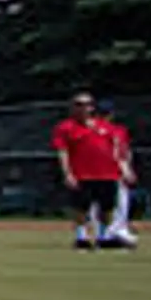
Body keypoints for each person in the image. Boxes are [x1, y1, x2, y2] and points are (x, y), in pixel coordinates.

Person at [53, 91, 123, 251]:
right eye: (79, 104)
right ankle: (81, 237)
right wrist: (67, 173)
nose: (83, 108)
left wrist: (122, 169)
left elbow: (116, 149)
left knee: (107, 208)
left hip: (107, 173)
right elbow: (62, 151)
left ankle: (104, 237)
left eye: (87, 104)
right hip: (82, 174)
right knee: (80, 208)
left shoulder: (106, 127)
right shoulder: (65, 128)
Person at [96, 100, 139, 249]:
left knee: (101, 204)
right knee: (120, 202)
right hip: (113, 171)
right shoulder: (117, 130)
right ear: (112, 114)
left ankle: (107, 233)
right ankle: (116, 232)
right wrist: (127, 170)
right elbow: (121, 153)